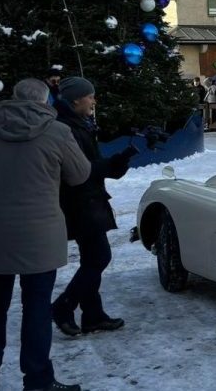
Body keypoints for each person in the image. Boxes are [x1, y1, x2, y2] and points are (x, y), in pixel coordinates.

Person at [0, 78, 91, 391]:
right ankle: (37, 379)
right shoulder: (58, 132)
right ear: (46, 101)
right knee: (36, 306)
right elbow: (80, 175)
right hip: (41, 233)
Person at [51, 77, 138, 338]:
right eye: (90, 96)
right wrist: (118, 160)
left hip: (88, 198)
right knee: (99, 257)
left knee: (92, 258)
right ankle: (63, 306)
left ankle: (93, 315)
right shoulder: (67, 127)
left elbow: (93, 166)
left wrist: (121, 161)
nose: (93, 100)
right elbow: (82, 170)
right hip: (80, 202)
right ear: (76, 99)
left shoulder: (79, 124)